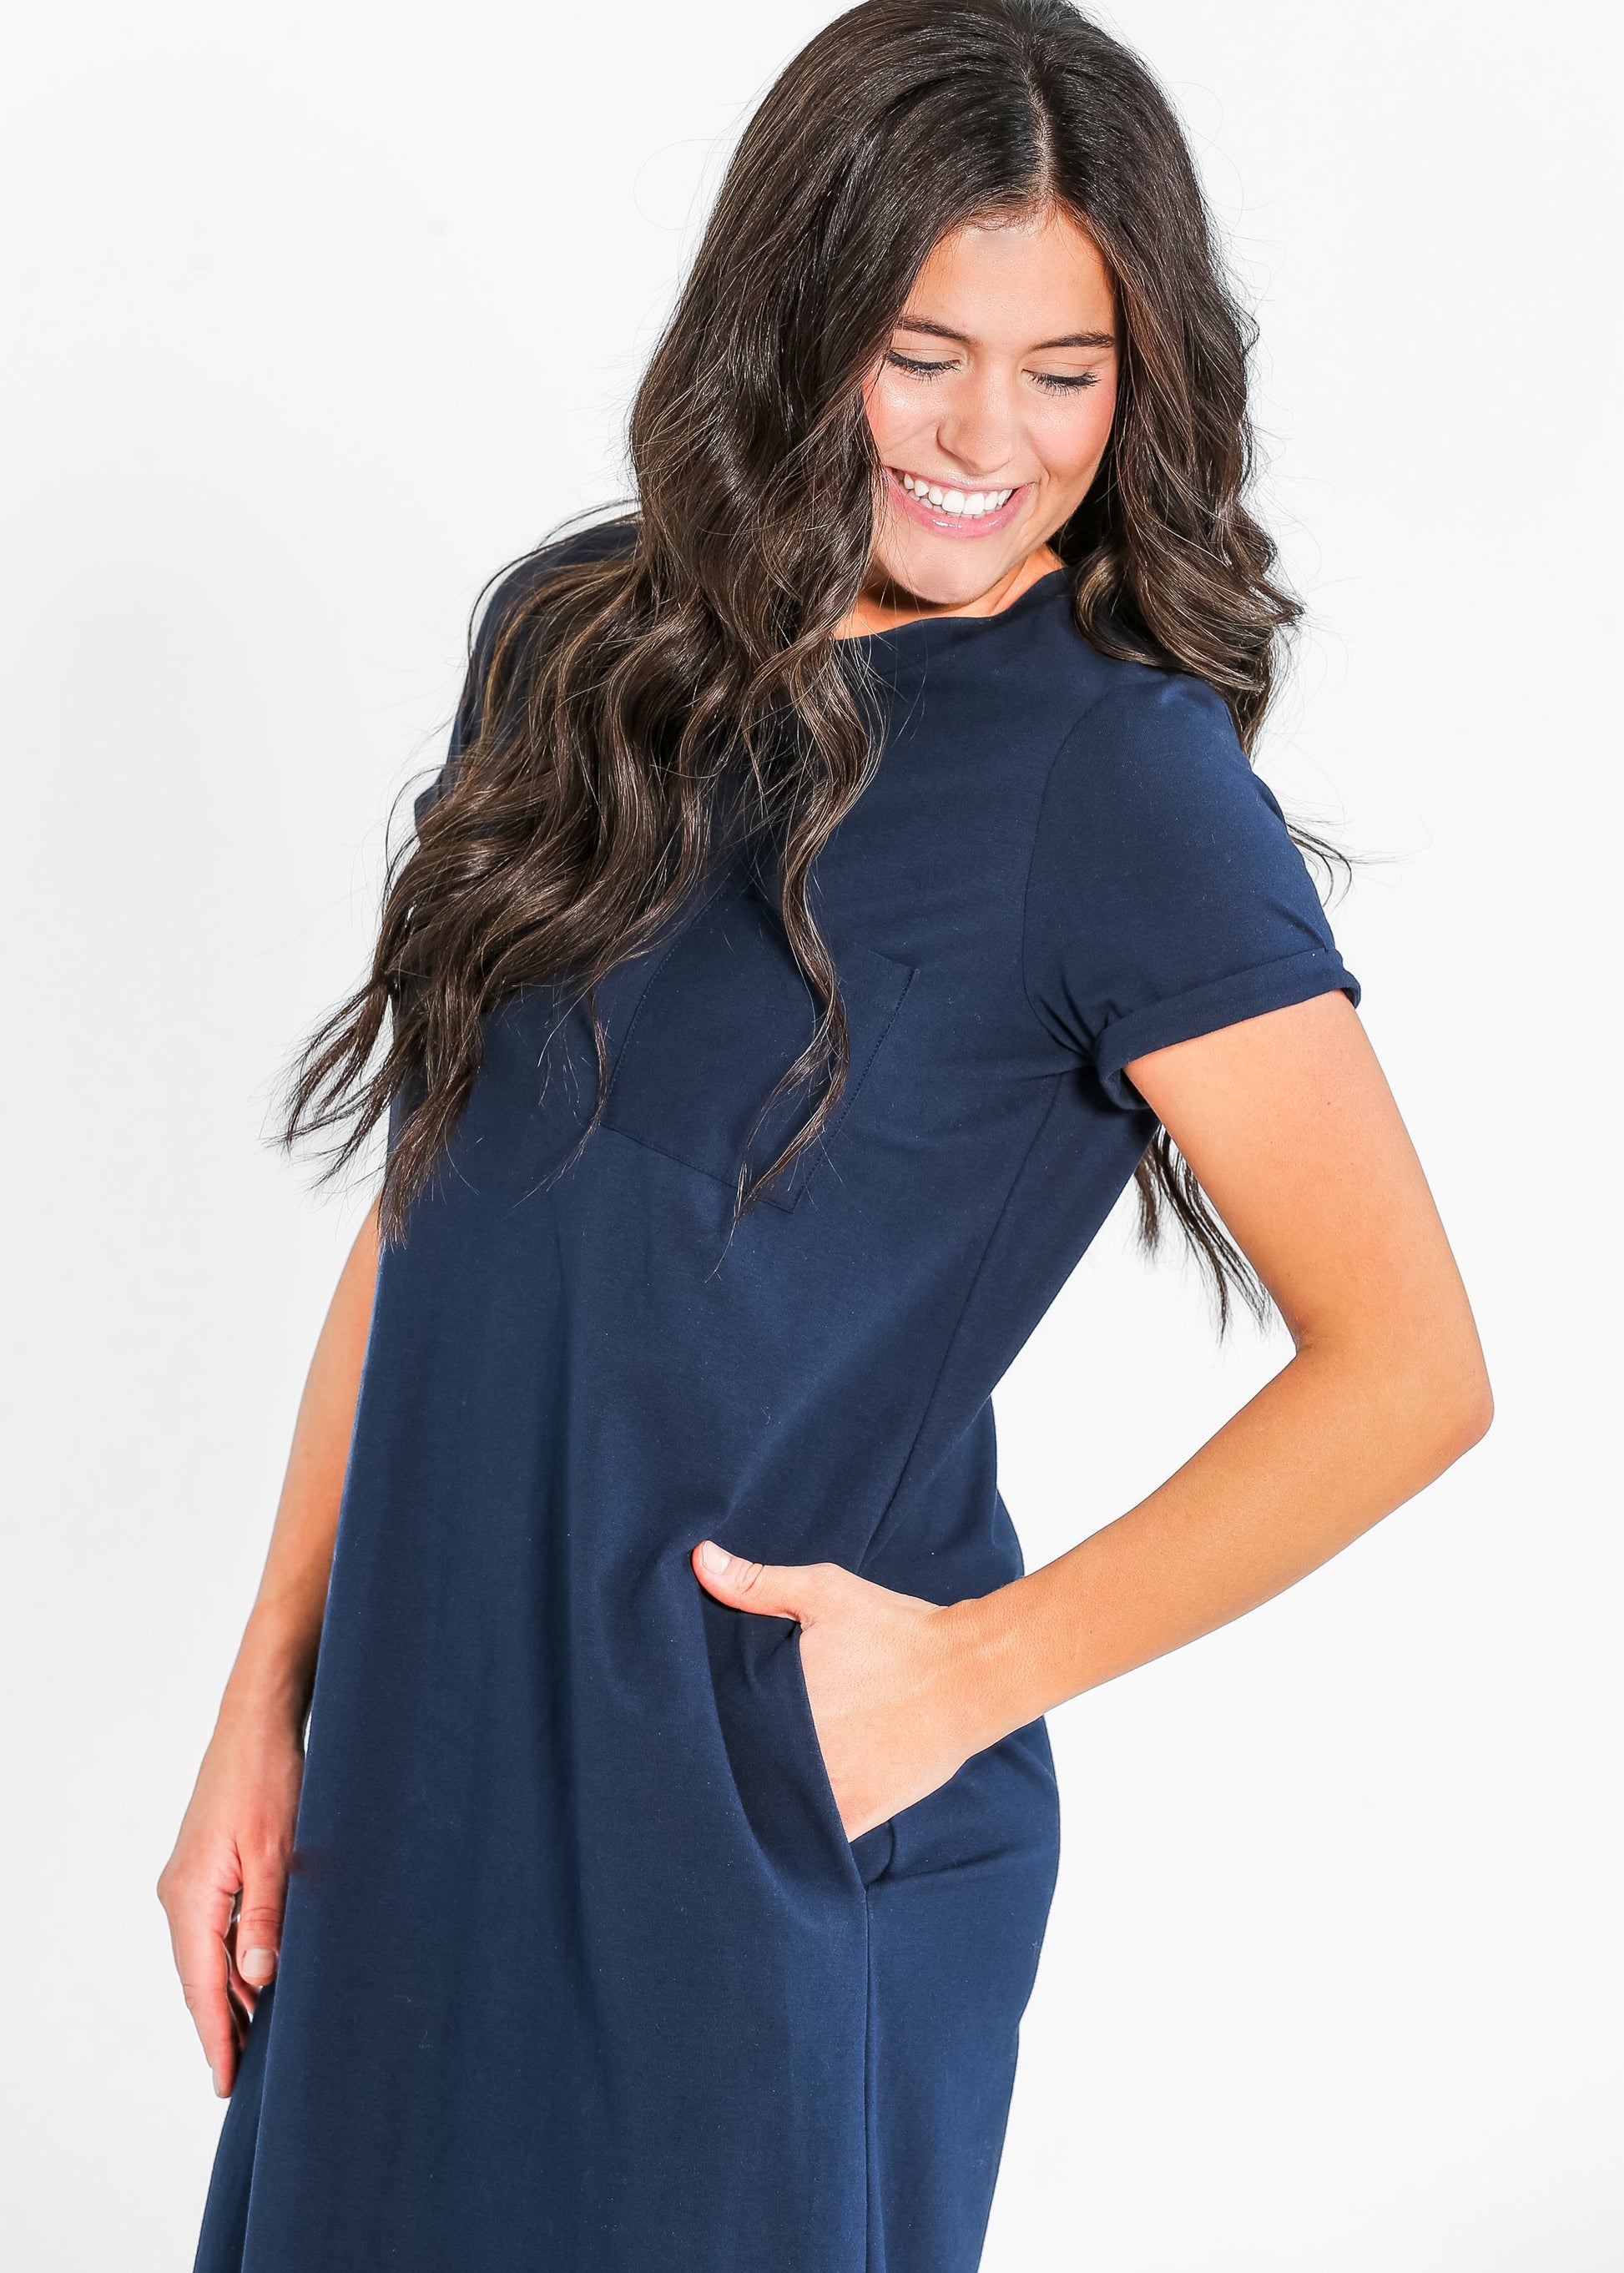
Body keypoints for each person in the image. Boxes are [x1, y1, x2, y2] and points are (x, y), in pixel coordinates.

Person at [159, 3, 1491, 2268]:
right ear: (793, 327)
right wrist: (266, 1695)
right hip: (420, 1770)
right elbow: (434, 1206)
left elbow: (1413, 1367)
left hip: (753, 1832)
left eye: (1065, 370)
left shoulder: (1120, 785)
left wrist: (975, 1669)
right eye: (920, 352)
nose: (990, 438)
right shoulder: (577, 647)